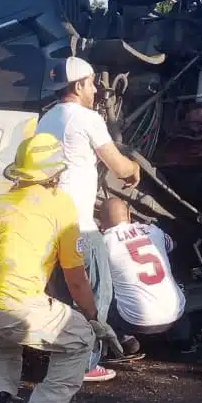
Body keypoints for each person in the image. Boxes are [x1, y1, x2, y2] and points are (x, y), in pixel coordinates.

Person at [0, 132, 122, 403]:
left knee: (0, 344)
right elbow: (74, 275)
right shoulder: (59, 204)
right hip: (14, 302)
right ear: (57, 175)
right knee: (79, 340)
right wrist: (94, 320)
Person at [38, 56, 142, 383]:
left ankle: (62, 360)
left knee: (62, 296)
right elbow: (117, 165)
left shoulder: (45, 119)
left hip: (49, 222)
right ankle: (84, 365)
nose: (96, 89)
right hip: (79, 225)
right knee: (98, 293)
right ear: (79, 85)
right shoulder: (86, 118)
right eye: (92, 83)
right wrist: (133, 169)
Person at [99, 196, 189, 349]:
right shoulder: (154, 231)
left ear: (101, 223)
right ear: (128, 215)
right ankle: (183, 339)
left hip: (134, 321)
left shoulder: (104, 242)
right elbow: (171, 245)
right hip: (175, 315)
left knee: (103, 290)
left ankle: (126, 342)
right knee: (171, 279)